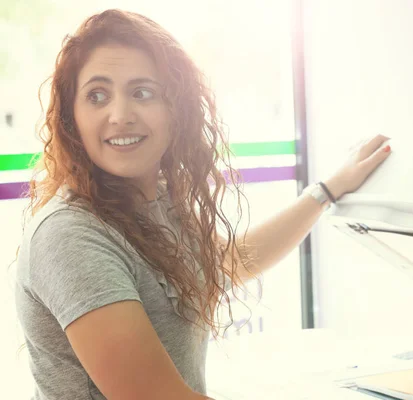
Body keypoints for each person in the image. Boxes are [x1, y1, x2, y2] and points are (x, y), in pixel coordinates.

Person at [14, 9, 392, 400]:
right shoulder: (70, 236)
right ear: (72, 117)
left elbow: (229, 259)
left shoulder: (152, 201)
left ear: (176, 109)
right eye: (97, 95)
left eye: (142, 92)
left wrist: (327, 190)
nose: (120, 116)